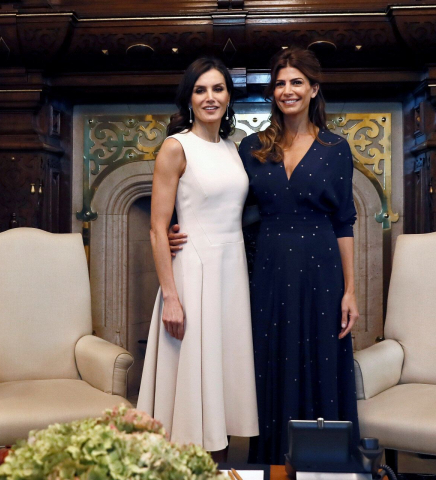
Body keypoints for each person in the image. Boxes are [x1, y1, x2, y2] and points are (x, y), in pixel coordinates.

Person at [169, 48, 360, 464]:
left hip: (321, 268)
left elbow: (344, 222)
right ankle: (270, 464)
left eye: (296, 82)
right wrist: (175, 230)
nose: (287, 90)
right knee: (269, 361)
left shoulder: (336, 147)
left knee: (321, 360)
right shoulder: (252, 147)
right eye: (280, 83)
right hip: (267, 268)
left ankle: (323, 465)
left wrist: (350, 290)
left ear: (314, 89)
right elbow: (221, 200)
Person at [137, 57, 259, 462]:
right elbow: (158, 228)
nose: (210, 97)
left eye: (218, 89)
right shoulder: (176, 147)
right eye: (200, 89)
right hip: (193, 272)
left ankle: (219, 464)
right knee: (191, 377)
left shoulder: (232, 148)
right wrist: (171, 298)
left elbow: (234, 210)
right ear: (188, 98)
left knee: (221, 374)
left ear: (228, 97)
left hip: (231, 273)